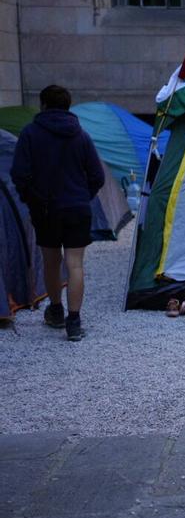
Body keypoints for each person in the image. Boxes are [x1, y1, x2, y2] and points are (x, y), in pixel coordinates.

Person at [9, 84, 105, 342]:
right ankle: (74, 322)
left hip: (45, 209)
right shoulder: (81, 135)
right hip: (77, 209)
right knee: (75, 264)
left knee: (51, 261)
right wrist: (83, 197)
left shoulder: (30, 134)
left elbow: (19, 174)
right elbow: (97, 176)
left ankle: (55, 310)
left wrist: (31, 199)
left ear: (43, 105)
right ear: (68, 105)